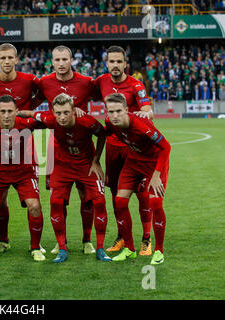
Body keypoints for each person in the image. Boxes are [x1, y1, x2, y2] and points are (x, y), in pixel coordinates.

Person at [19, 93, 111, 263]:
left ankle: (99, 247)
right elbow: (29, 113)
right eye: (58, 113)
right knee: (55, 202)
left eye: (66, 112)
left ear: (74, 111)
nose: (62, 117)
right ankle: (62, 248)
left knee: (99, 201)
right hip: (62, 165)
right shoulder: (48, 118)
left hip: (86, 165)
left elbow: (102, 134)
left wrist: (96, 160)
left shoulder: (87, 121)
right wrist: (11, 114)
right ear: (53, 112)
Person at [0, 43, 43, 254]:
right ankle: (3, 240)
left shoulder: (30, 80)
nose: (6, 62)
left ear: (16, 59)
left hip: (24, 148)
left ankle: (35, 245)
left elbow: (44, 94)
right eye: (2, 58)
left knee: (33, 204)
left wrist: (25, 114)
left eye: (10, 58)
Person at [36, 45, 99, 255]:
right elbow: (30, 99)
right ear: (51, 62)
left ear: (72, 59)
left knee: (86, 196)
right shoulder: (44, 82)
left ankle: (87, 240)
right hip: (57, 149)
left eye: (64, 59)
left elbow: (109, 92)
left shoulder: (86, 82)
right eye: (57, 60)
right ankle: (59, 242)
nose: (61, 63)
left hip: (84, 149)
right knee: (58, 198)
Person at [94, 45, 154, 256]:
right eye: (112, 61)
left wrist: (141, 115)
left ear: (125, 63)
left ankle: (146, 238)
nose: (115, 65)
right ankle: (122, 237)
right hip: (112, 146)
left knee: (141, 193)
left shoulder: (136, 85)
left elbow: (147, 110)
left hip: (133, 148)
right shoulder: (101, 81)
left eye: (119, 61)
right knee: (115, 194)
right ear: (106, 63)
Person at [0, 95, 46, 262]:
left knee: (34, 206)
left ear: (16, 112)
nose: (6, 115)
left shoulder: (28, 124)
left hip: (23, 172)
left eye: (9, 111)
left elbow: (51, 117)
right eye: (2, 112)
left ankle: (35, 247)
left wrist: (30, 113)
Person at [104, 93, 170, 265]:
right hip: (133, 162)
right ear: (107, 112)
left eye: (119, 111)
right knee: (119, 201)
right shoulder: (109, 123)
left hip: (154, 163)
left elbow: (165, 147)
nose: (115, 115)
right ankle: (130, 249)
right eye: (111, 111)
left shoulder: (141, 125)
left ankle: (159, 251)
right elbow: (104, 133)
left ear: (126, 110)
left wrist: (156, 176)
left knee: (155, 203)